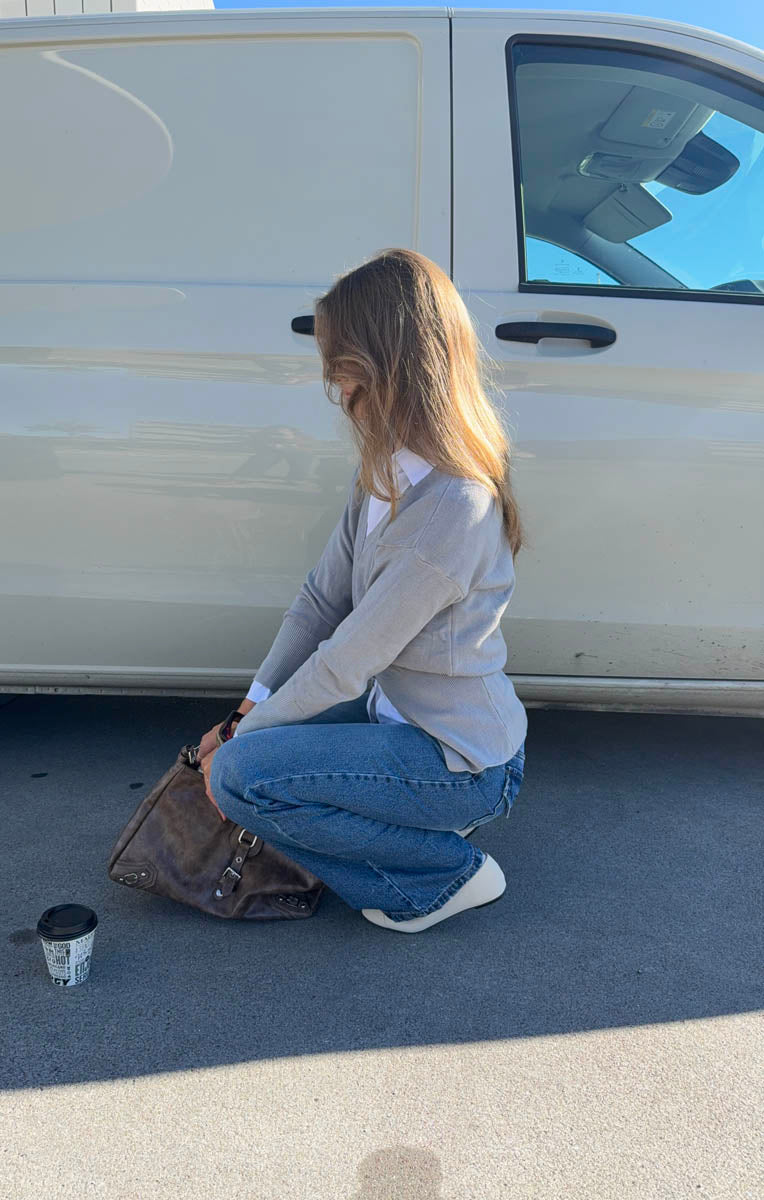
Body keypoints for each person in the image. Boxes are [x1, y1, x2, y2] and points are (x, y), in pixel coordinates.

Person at [196, 247, 527, 933]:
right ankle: (409, 834)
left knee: (242, 776)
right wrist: (246, 707)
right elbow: (321, 602)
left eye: (339, 367)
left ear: (384, 367)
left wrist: (238, 742)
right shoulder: (386, 472)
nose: (332, 384)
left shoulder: (452, 508)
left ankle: (443, 877)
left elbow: (348, 660)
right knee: (251, 752)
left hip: (461, 764)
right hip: (395, 721)